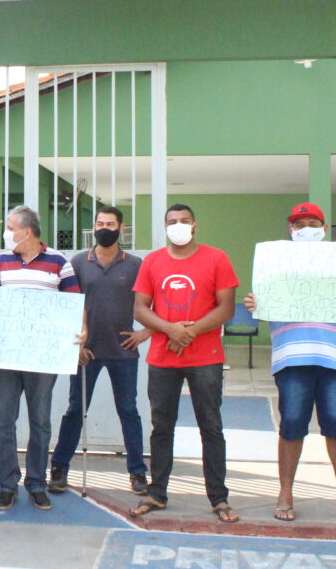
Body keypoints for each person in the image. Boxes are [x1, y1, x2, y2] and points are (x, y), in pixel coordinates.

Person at [243, 202, 336, 526]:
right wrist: (256, 302)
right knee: (292, 425)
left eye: (312, 222)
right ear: (290, 230)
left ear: (324, 228)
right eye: (299, 223)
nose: (305, 228)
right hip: (292, 358)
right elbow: (263, 303)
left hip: (334, 358)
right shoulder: (276, 265)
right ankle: (285, 493)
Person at [130, 204, 240, 523]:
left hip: (205, 358)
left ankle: (219, 498)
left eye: (184, 221)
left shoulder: (216, 258)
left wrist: (188, 331)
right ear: (165, 227)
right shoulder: (152, 261)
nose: (178, 225)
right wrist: (171, 329)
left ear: (195, 225)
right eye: (171, 222)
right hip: (163, 358)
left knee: (211, 426)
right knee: (162, 426)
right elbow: (140, 308)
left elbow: (226, 308)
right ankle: (157, 493)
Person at [0, 206, 83, 512]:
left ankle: (37, 483)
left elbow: (74, 304)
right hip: (8, 356)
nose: (7, 231)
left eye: (11, 226)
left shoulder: (59, 263)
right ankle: (6, 484)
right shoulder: (1, 261)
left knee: (40, 422)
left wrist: (81, 333)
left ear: (26, 231)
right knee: (3, 421)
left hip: (43, 359)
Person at [48, 206, 150, 497]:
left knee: (128, 411)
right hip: (86, 353)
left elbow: (153, 304)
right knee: (75, 411)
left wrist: (145, 333)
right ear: (94, 226)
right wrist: (75, 344)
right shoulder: (79, 261)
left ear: (121, 228)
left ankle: (137, 472)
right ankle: (59, 468)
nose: (105, 228)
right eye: (100, 223)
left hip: (123, 352)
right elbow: (66, 306)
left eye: (111, 224)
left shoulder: (135, 265)